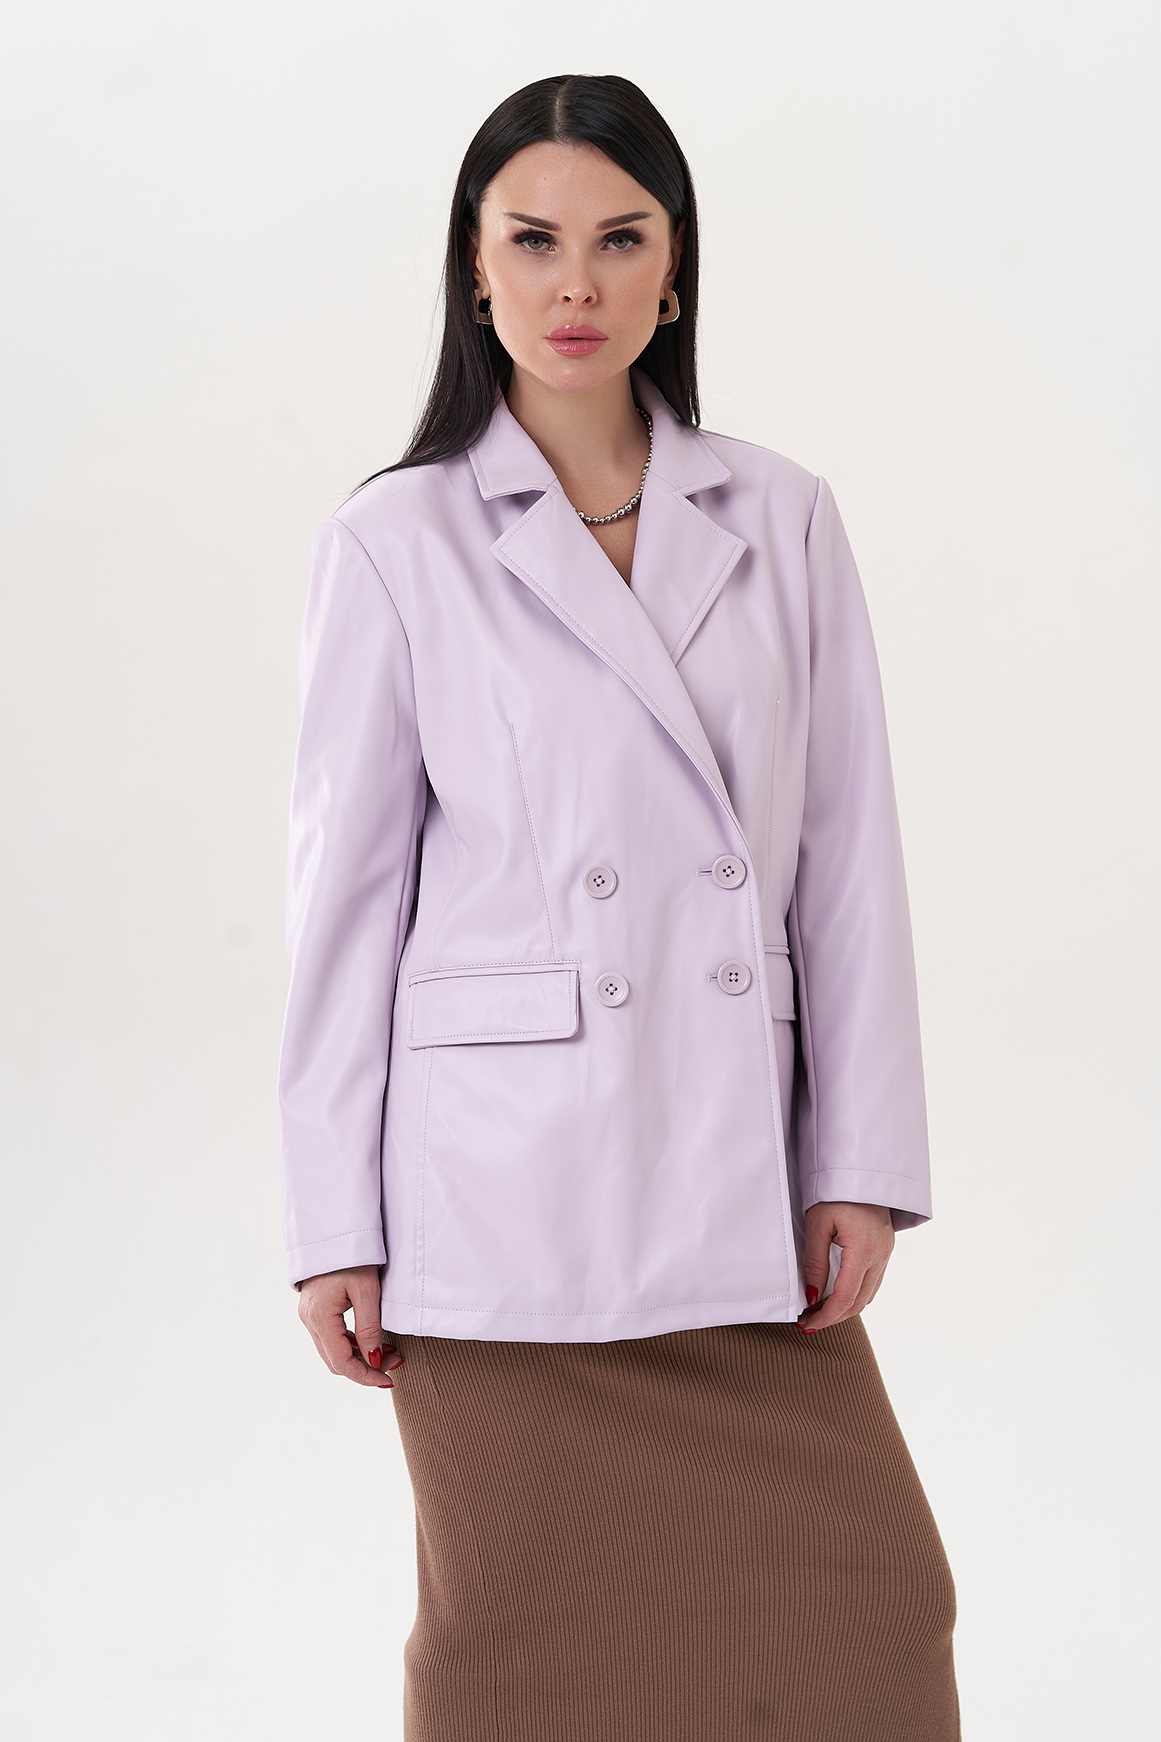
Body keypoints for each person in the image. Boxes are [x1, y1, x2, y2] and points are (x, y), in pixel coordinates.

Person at [278, 72, 960, 1742]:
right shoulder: (395, 540)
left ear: (675, 269)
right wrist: (331, 1223)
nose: (573, 283)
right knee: (523, 1644)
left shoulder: (780, 514)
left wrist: (857, 1160)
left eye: (618, 239)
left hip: (731, 1177)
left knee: (871, 1599)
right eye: (532, 240)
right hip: (504, 1195)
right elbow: (344, 903)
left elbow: (844, 856)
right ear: (473, 269)